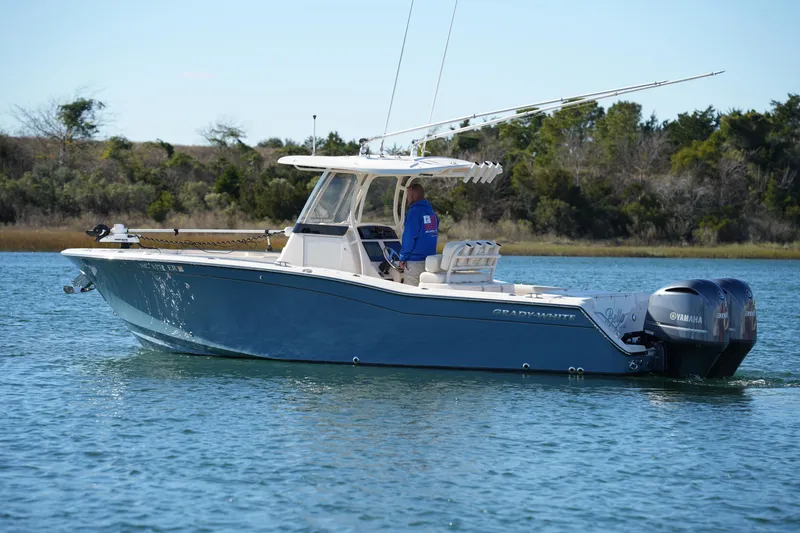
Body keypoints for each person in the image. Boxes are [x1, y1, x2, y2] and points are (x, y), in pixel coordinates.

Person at [398, 183, 438, 286]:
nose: (407, 198)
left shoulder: (414, 212)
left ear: (415, 196)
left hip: (415, 263)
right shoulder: (431, 212)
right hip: (430, 262)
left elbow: (409, 237)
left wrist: (402, 258)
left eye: (408, 195)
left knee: (410, 294)